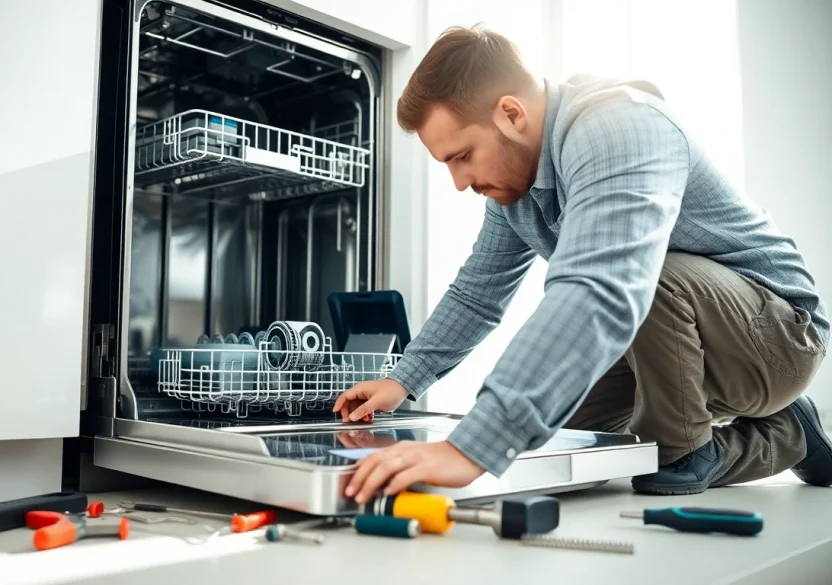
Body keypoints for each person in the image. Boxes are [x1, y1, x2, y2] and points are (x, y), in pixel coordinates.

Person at [332, 25, 830, 505]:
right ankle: (769, 432)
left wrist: (471, 446)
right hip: (685, 335)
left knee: (652, 301)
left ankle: (719, 446)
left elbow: (603, 285)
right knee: (569, 440)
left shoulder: (620, 126)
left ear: (511, 113)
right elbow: (477, 293)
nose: (459, 182)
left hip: (778, 338)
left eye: (462, 156)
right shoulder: (515, 193)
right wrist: (403, 379)